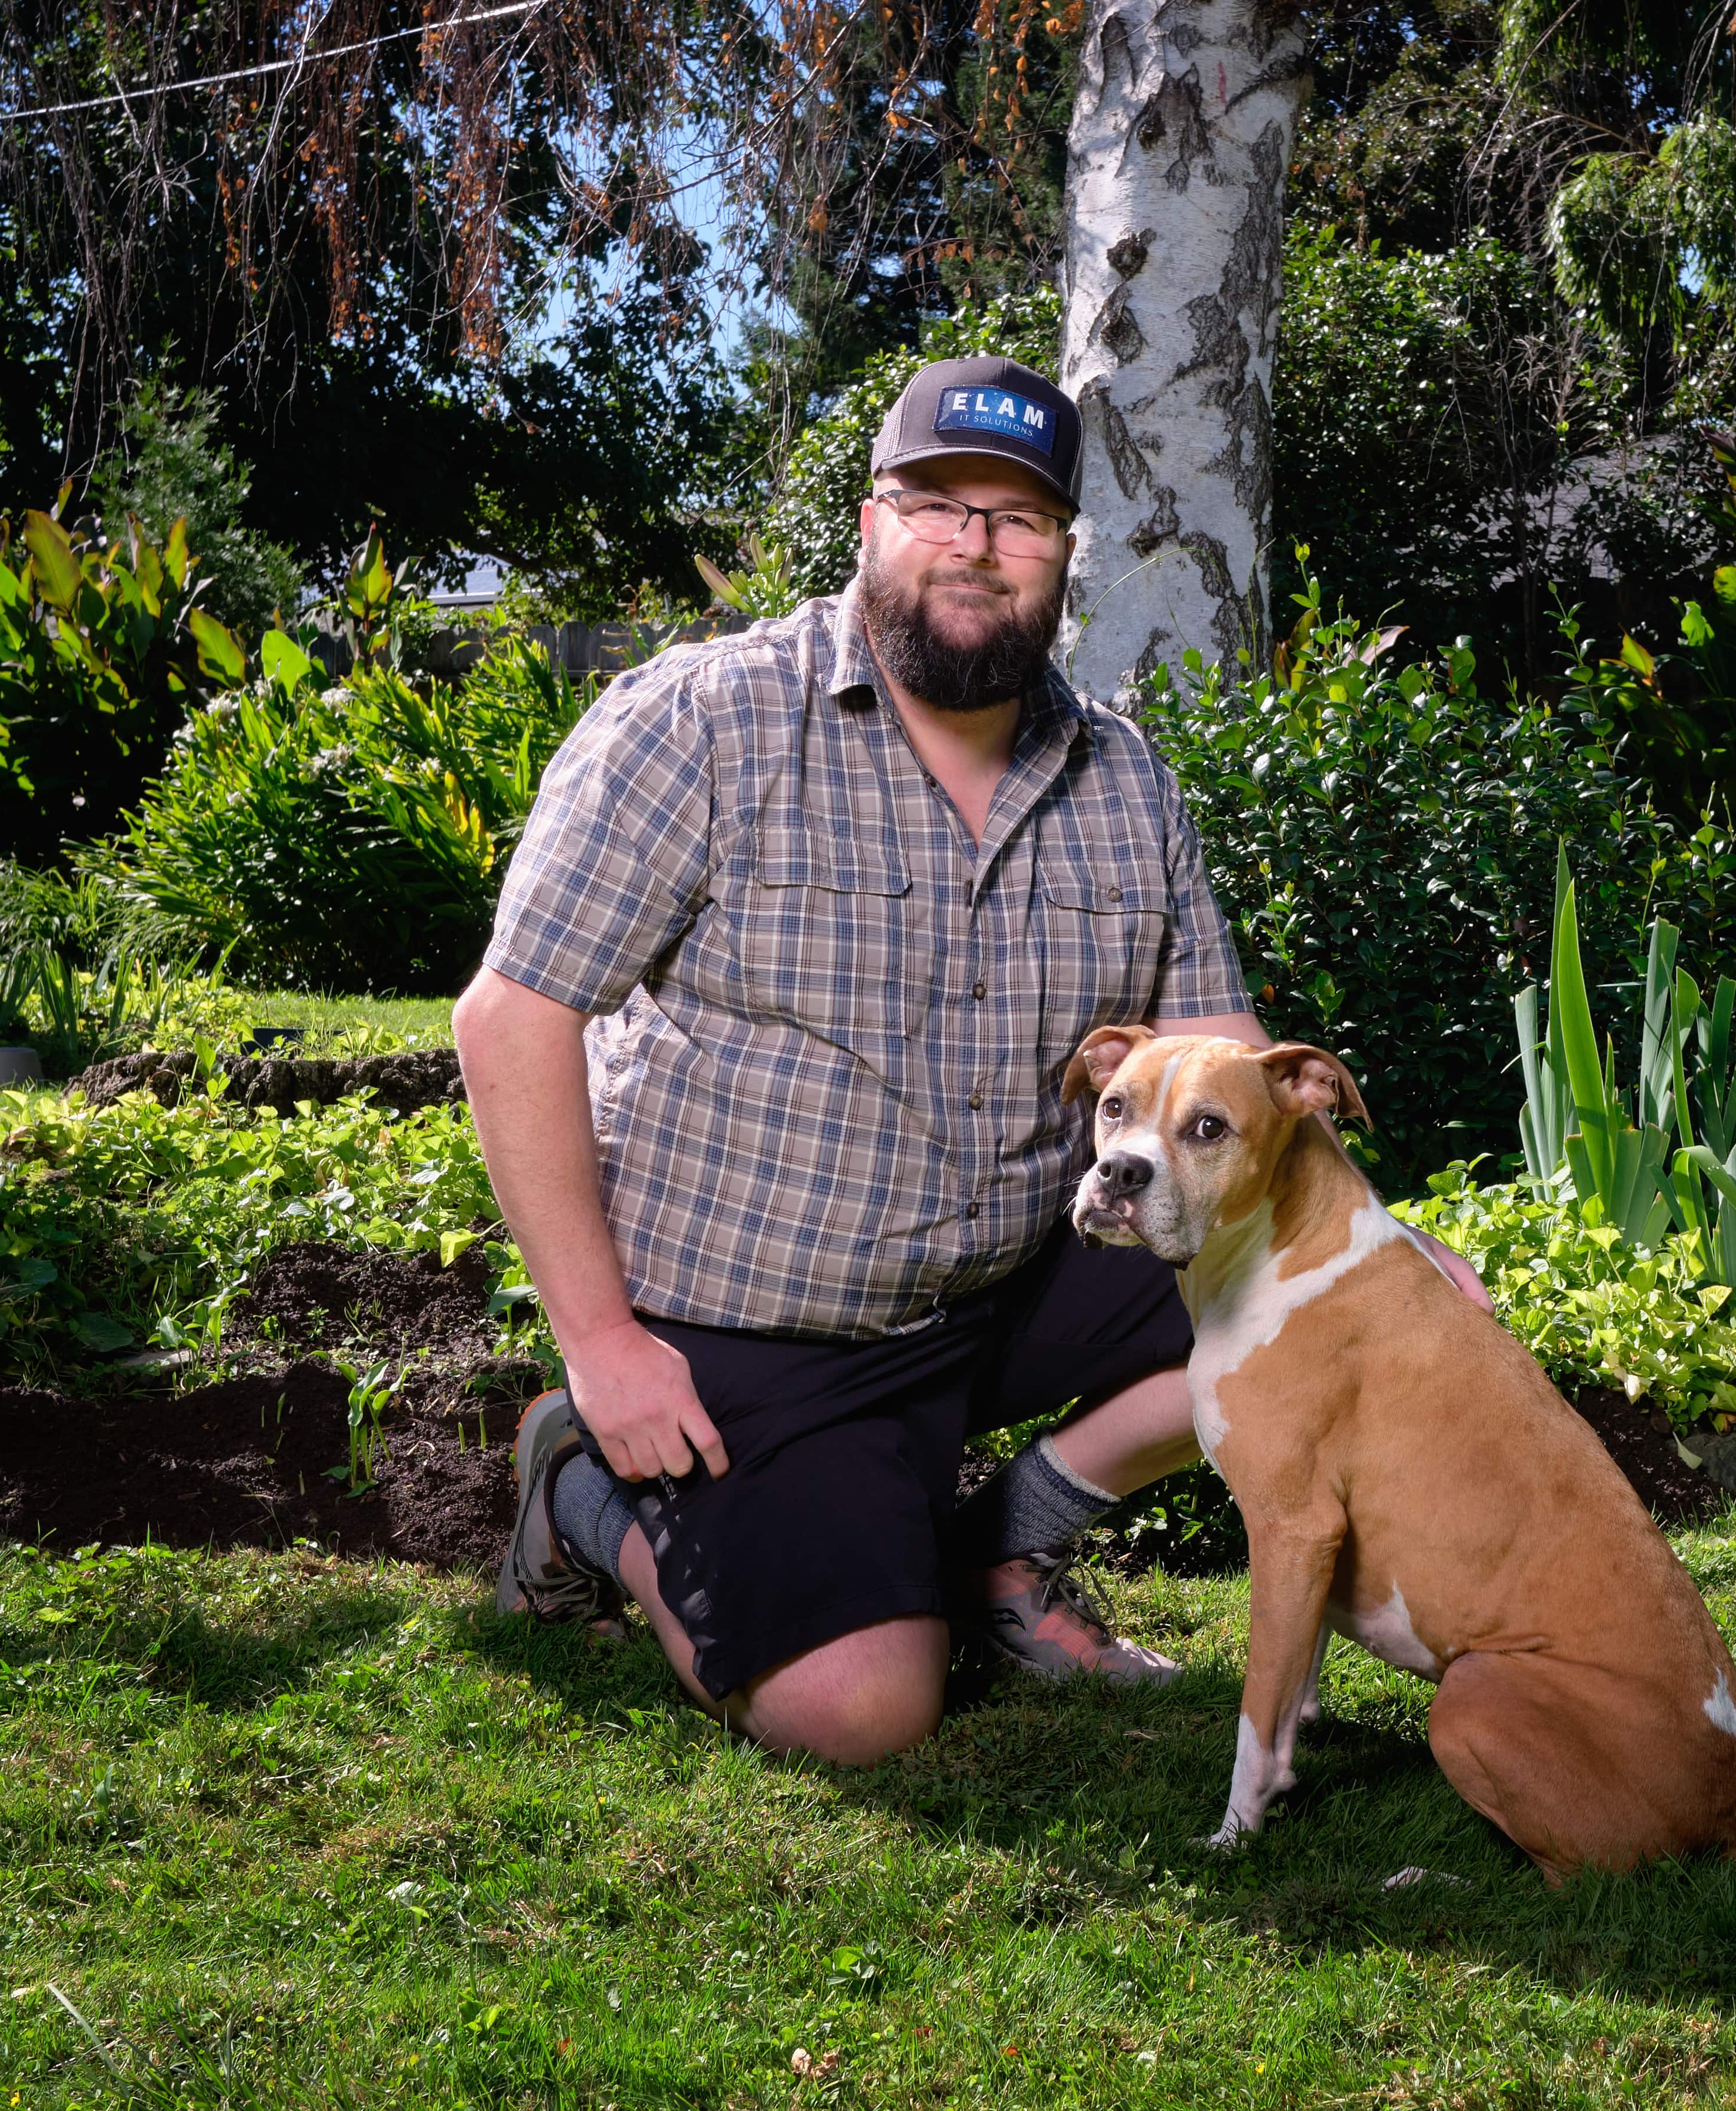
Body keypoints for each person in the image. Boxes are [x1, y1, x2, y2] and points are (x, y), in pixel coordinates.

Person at [456, 353, 1488, 1765]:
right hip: (758, 1322)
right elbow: (512, 1020)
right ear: (872, 520)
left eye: (1019, 520)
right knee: (864, 1713)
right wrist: (605, 1348)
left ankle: (1007, 1549)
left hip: (1003, 1283)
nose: (976, 545)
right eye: (937, 504)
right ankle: (578, 1481)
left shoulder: (1123, 779)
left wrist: (1385, 1246)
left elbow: (1227, 1062)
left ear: (1065, 552)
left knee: (1340, 1304)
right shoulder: (702, 719)